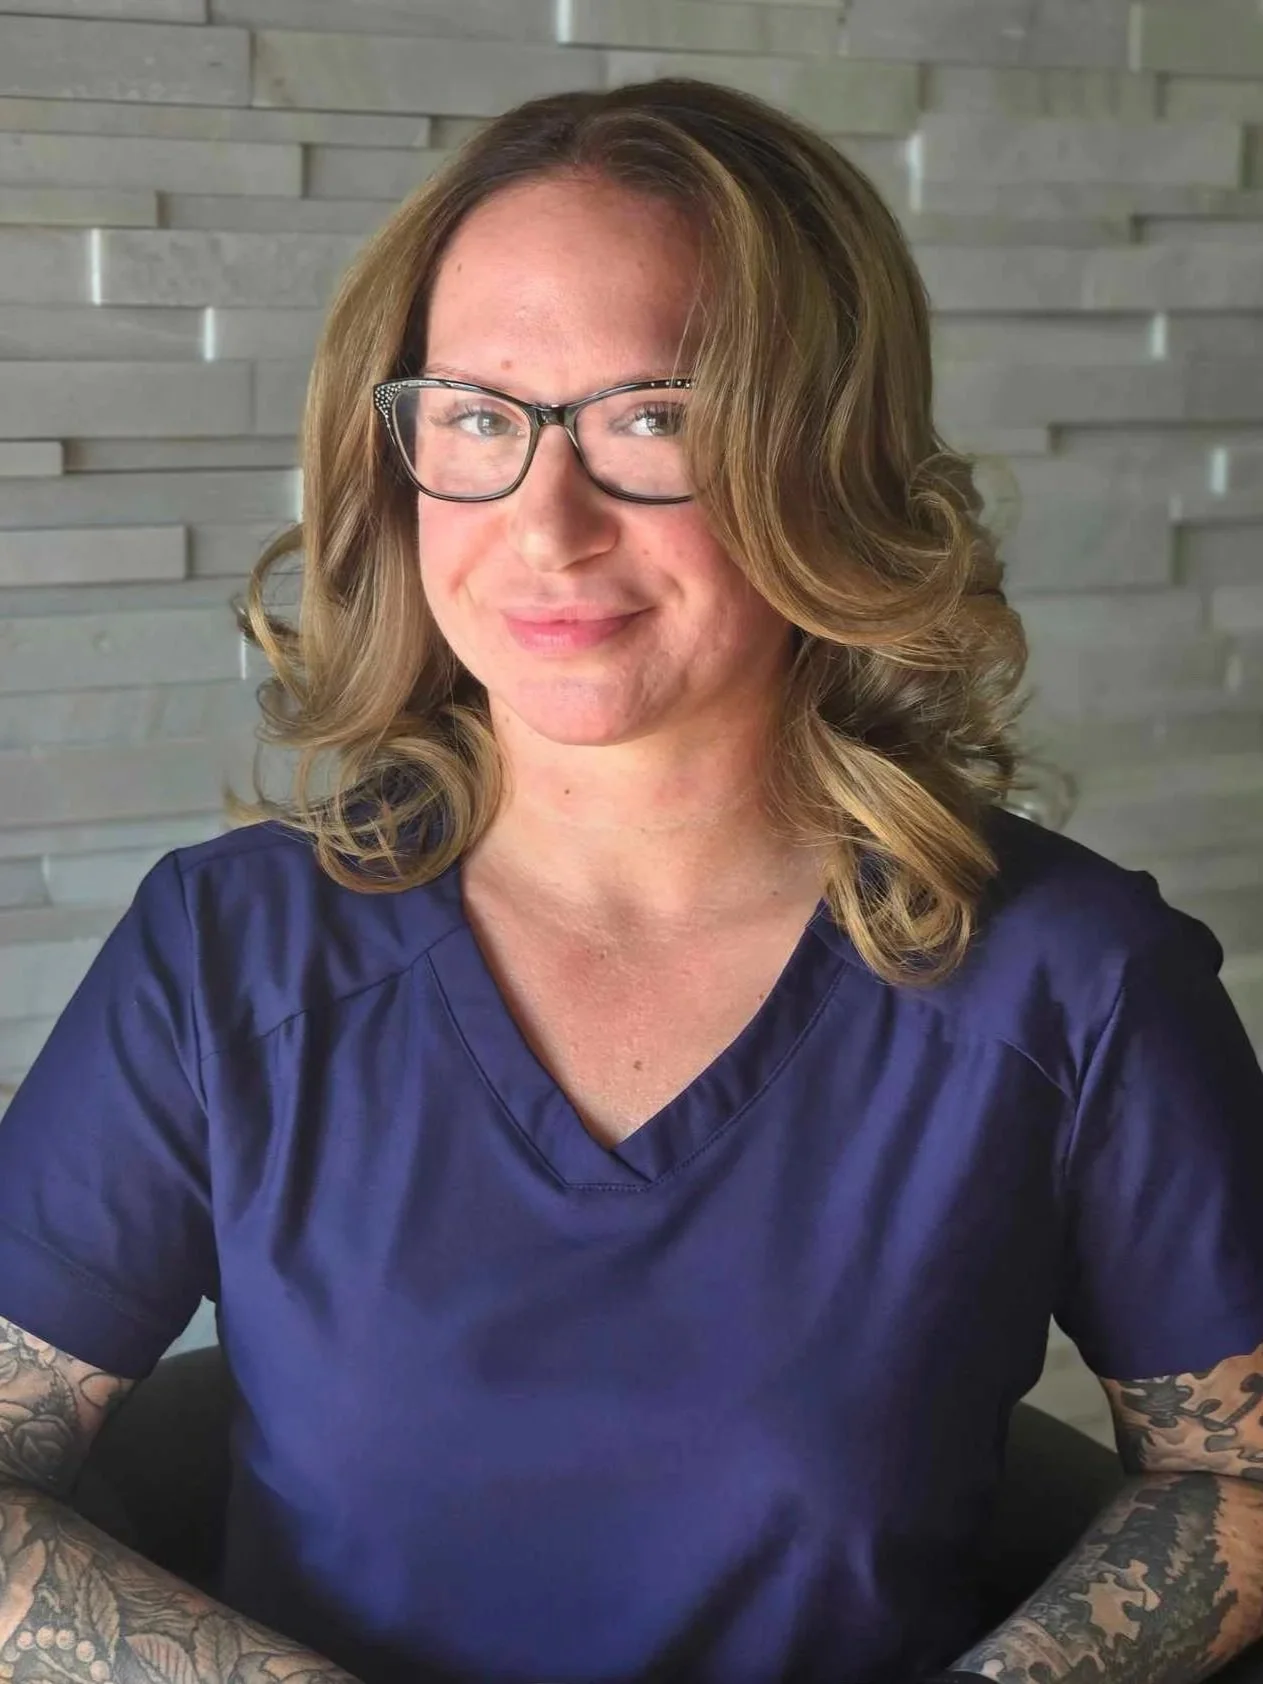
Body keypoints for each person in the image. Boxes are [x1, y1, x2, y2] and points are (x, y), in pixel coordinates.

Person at [0, 76, 1261, 1684]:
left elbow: (1232, 1467)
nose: (547, 523)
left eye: (651, 417)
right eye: (475, 416)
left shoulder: (1073, 981)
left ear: (828, 458)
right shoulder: (223, 957)